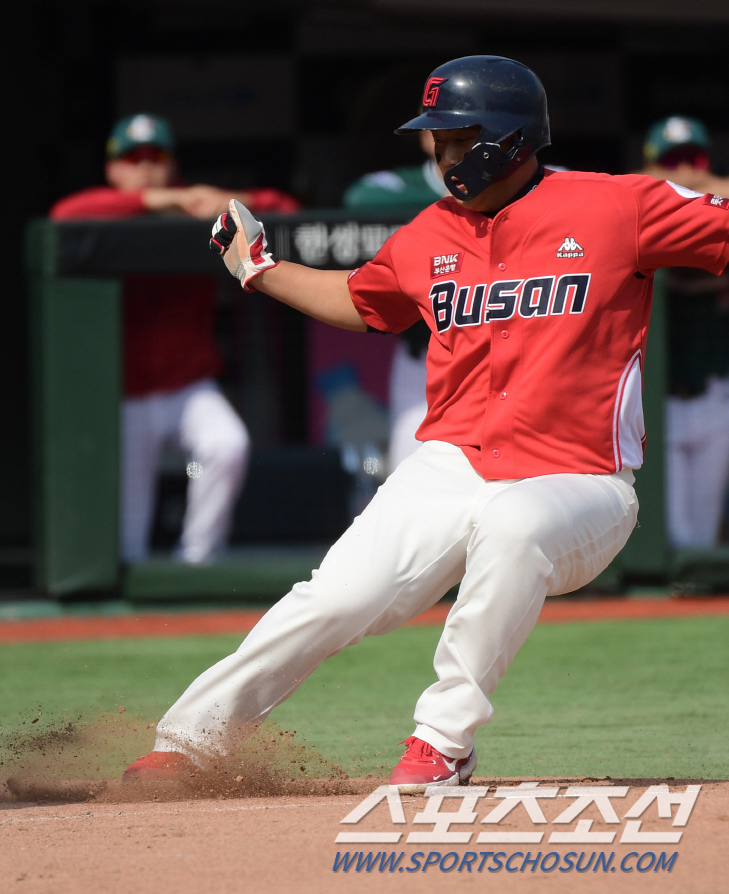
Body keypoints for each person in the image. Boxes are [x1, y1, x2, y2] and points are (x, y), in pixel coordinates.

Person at [124, 55, 729, 792]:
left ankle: (442, 742)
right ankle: (191, 738)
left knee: (512, 523)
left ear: (508, 136)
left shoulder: (615, 206)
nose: (442, 154)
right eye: (436, 138)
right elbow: (362, 299)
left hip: (581, 482)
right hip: (454, 462)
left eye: (455, 137)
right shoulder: (431, 231)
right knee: (337, 594)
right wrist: (259, 270)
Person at [50, 114, 299, 564]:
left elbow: (288, 210)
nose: (145, 167)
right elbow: (64, 216)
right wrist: (155, 200)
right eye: (132, 158)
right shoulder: (108, 209)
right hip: (123, 397)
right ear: (112, 169)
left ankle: (197, 560)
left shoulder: (198, 210)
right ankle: (127, 611)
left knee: (226, 444)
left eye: (156, 157)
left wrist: (226, 201)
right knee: (127, 542)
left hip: (188, 387)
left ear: (173, 164)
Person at [638, 116, 729, 548]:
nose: (683, 171)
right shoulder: (634, 208)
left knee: (702, 535)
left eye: (691, 159)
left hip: (714, 397)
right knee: (670, 533)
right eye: (670, 161)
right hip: (657, 404)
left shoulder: (717, 211)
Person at [343, 133, 445, 473]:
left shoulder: (517, 180)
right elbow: (358, 198)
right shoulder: (402, 185)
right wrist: (453, 204)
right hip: (422, 360)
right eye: (434, 127)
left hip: (497, 356)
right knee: (407, 468)